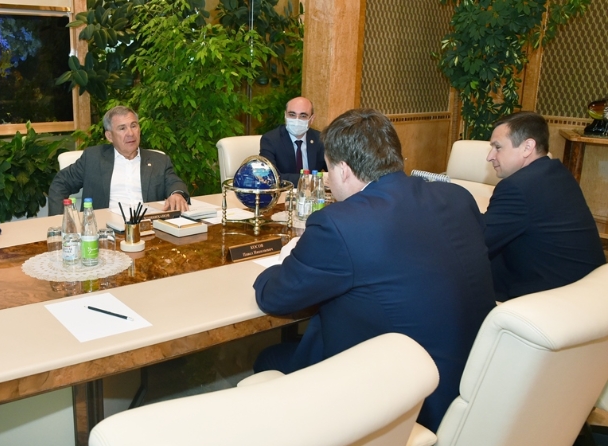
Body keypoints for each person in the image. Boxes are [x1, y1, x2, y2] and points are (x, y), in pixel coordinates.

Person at [253, 108, 495, 431]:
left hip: (404, 402)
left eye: (327, 170)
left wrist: (286, 259)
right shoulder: (457, 198)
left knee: (268, 358)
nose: (328, 180)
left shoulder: (340, 224)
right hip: (474, 384)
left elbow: (274, 296)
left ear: (343, 170)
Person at [485, 111, 605, 301]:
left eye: (497, 147)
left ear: (527, 147)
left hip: (555, 298)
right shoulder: (557, 172)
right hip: (587, 289)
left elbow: (479, 242)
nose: (490, 156)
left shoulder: (517, 187)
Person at [48, 106, 190, 215]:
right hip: (105, 231)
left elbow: (175, 183)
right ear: (110, 136)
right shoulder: (93, 158)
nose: (130, 133)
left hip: (149, 228)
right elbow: (60, 183)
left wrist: (177, 194)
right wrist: (61, 220)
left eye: (133, 126)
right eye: (122, 128)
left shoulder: (159, 160)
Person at [259, 96, 327, 186]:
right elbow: (270, 177)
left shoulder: (321, 139)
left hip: (312, 193)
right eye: (292, 115)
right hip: (284, 192)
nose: (296, 120)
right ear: (285, 116)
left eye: (303, 116)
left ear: (312, 119)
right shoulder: (270, 139)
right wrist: (310, 179)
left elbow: (335, 171)